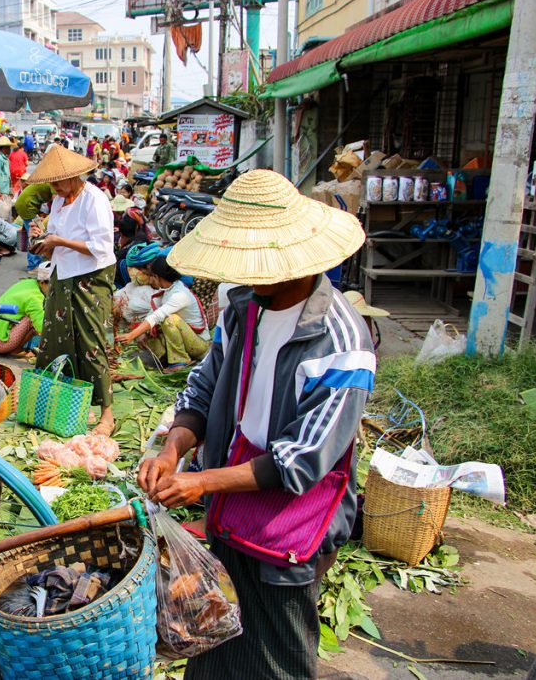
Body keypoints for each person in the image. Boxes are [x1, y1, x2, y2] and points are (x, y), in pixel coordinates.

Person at [138, 169, 371, 680]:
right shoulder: (242, 311)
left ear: (293, 260)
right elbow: (202, 388)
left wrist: (198, 482)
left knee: (275, 655)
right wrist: (173, 450)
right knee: (213, 633)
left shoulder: (341, 342)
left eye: (257, 266)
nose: (248, 276)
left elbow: (300, 460)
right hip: (231, 506)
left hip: (290, 525)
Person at [28, 146, 117, 436]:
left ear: (74, 176)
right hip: (62, 274)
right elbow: (56, 236)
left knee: (91, 341)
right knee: (56, 338)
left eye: (58, 181)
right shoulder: (58, 201)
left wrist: (59, 241)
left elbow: (101, 247)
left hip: (90, 278)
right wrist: (44, 240)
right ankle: (59, 401)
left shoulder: (95, 200)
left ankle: (106, 414)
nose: (54, 188)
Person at [116, 255, 210, 370]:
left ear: (157, 277)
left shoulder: (180, 294)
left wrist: (131, 335)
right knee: (147, 333)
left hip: (198, 344)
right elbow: (151, 314)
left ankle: (180, 362)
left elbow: (157, 316)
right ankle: (168, 358)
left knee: (169, 320)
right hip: (184, 341)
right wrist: (141, 334)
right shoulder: (165, 291)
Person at [0, 261, 53, 356]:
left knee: (33, 315)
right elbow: (42, 328)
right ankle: (16, 351)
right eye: (52, 286)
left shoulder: (28, 282)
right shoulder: (35, 298)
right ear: (43, 282)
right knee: (32, 321)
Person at [15, 181, 54, 272]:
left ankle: (35, 262)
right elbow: (56, 203)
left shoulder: (50, 181)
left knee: (37, 231)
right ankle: (33, 266)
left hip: (27, 206)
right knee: (36, 234)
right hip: (27, 207)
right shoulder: (54, 182)